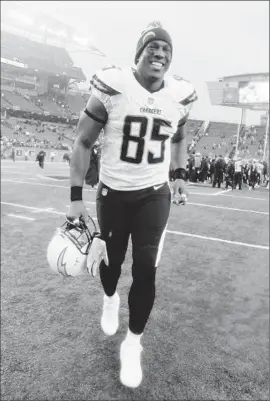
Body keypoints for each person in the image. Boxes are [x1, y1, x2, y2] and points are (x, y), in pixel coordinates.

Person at [67, 21, 197, 388]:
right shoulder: (113, 86)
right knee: (112, 265)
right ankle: (110, 298)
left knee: (146, 269)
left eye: (166, 51)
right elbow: (82, 142)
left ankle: (133, 344)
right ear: (139, 54)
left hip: (154, 194)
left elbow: (180, 134)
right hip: (113, 192)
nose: (160, 55)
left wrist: (180, 172)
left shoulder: (180, 94)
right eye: (153, 48)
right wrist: (76, 199)